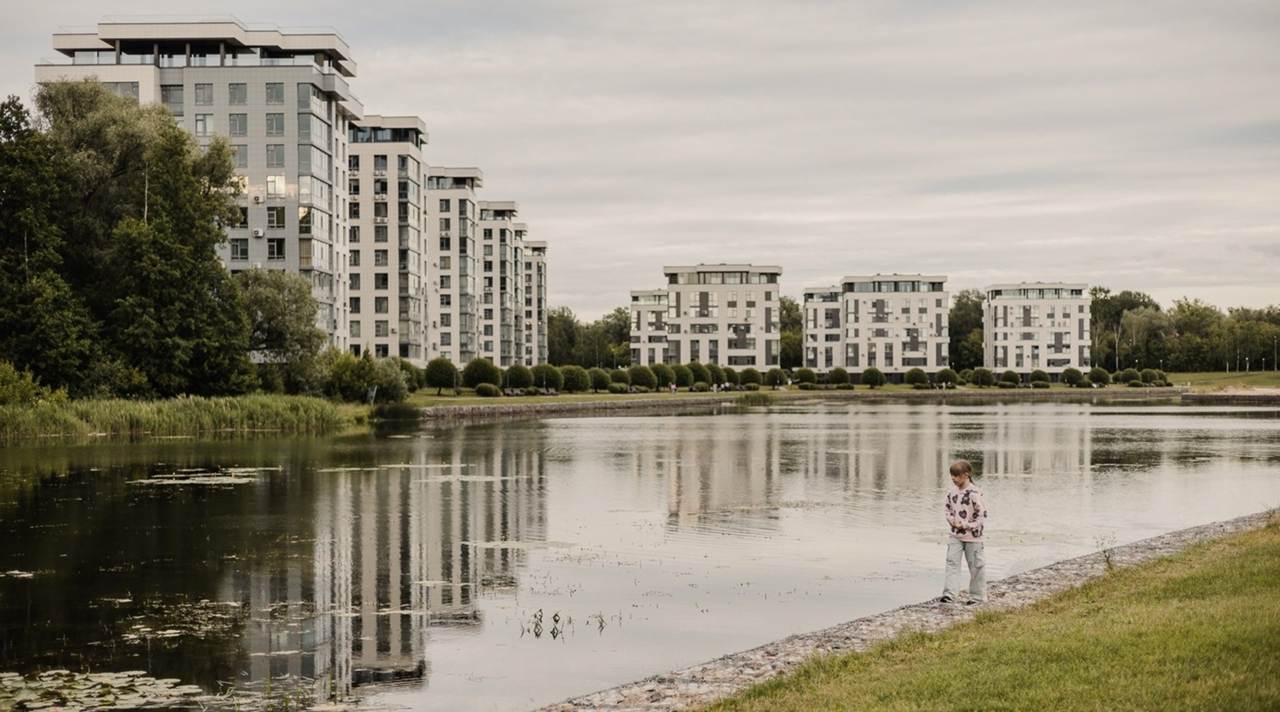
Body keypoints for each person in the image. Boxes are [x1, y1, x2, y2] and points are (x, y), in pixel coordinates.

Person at [941, 459, 986, 604]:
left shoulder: (975, 493)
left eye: (956, 475)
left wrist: (966, 525)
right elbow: (947, 508)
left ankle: (977, 597)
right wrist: (951, 520)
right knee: (951, 563)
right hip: (955, 535)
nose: (953, 478)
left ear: (966, 475)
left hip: (973, 537)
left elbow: (981, 516)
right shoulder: (951, 492)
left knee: (976, 567)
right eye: (952, 476)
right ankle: (949, 594)